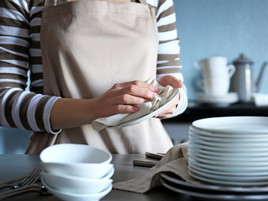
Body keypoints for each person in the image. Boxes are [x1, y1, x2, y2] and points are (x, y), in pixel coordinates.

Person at [0, 0, 187, 154]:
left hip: (148, 158)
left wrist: (172, 99)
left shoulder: (158, 2)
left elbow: (178, 91)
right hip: (60, 160)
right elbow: (3, 101)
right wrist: (93, 109)